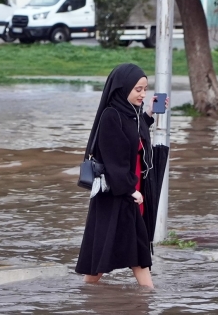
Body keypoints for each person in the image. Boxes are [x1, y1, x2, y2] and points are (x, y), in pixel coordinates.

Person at [75, 63, 169, 288]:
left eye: (145, 89)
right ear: (123, 88)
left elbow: (134, 133)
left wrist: (149, 114)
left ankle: (86, 296)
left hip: (132, 194)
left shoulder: (131, 114)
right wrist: (130, 191)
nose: (143, 94)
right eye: (138, 89)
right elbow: (113, 161)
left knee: (118, 257)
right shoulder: (111, 116)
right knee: (122, 258)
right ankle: (150, 299)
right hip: (119, 196)